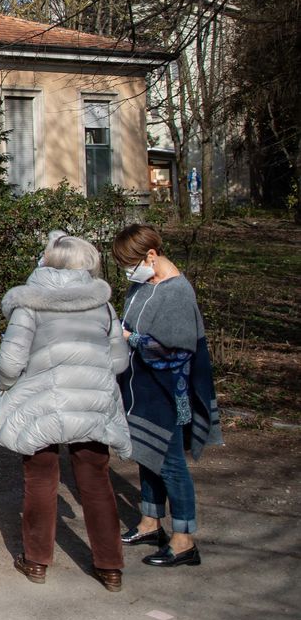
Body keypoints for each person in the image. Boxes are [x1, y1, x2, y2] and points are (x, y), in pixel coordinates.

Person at [0, 232, 131, 591]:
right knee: (97, 483)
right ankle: (110, 566)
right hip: (92, 402)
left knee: (40, 480)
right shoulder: (102, 306)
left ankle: (36, 561)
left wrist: (7, 386)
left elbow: (11, 361)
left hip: (41, 402)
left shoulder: (32, 302)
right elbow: (118, 360)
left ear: (49, 262)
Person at [113, 223, 222, 569]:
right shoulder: (141, 285)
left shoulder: (178, 292)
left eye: (130, 263)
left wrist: (130, 338)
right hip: (141, 389)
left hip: (170, 393)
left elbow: (176, 351)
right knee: (148, 455)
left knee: (172, 464)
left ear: (151, 255)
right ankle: (150, 523)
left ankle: (184, 540)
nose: (128, 271)